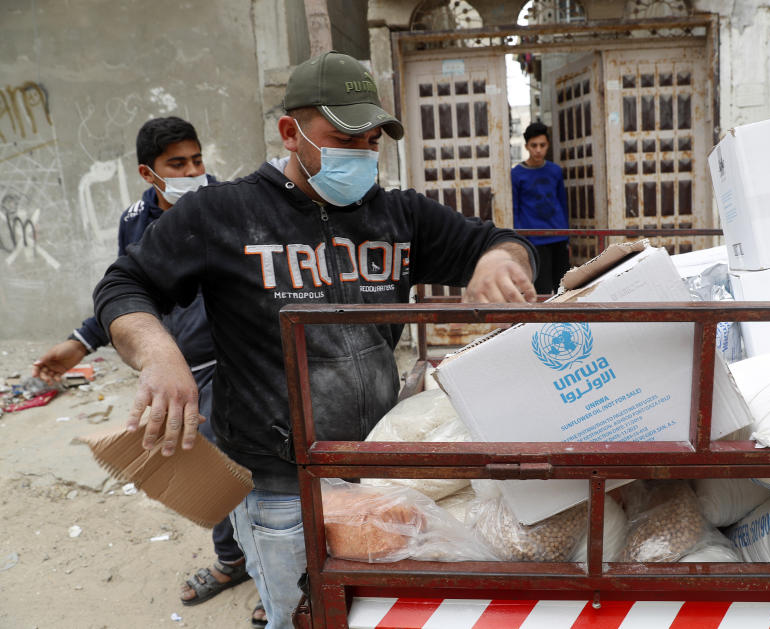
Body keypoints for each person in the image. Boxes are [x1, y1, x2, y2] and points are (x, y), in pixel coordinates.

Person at [93, 50, 537, 629]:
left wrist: (499, 261)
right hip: (281, 486)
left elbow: (500, 239)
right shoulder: (224, 213)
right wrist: (159, 353)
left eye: (372, 141)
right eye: (344, 138)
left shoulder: (399, 215)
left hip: (381, 473)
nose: (360, 154)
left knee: (385, 614)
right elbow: (123, 285)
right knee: (302, 617)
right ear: (290, 132)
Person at [31, 117, 266, 627]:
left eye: (197, 160)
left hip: (237, 363)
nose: (193, 172)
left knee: (258, 469)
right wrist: (79, 343)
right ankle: (235, 562)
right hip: (179, 372)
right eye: (177, 164)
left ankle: (277, 578)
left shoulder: (229, 206)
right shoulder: (135, 219)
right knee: (210, 470)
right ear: (148, 172)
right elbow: (130, 292)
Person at [511, 121, 571, 294]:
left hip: (558, 237)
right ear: (527, 146)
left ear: (548, 146)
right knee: (541, 291)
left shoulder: (555, 171)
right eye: (534, 145)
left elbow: (562, 203)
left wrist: (567, 238)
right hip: (535, 240)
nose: (538, 150)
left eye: (542, 145)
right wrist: (520, 240)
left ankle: (564, 322)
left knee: (564, 289)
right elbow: (515, 209)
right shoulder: (517, 174)